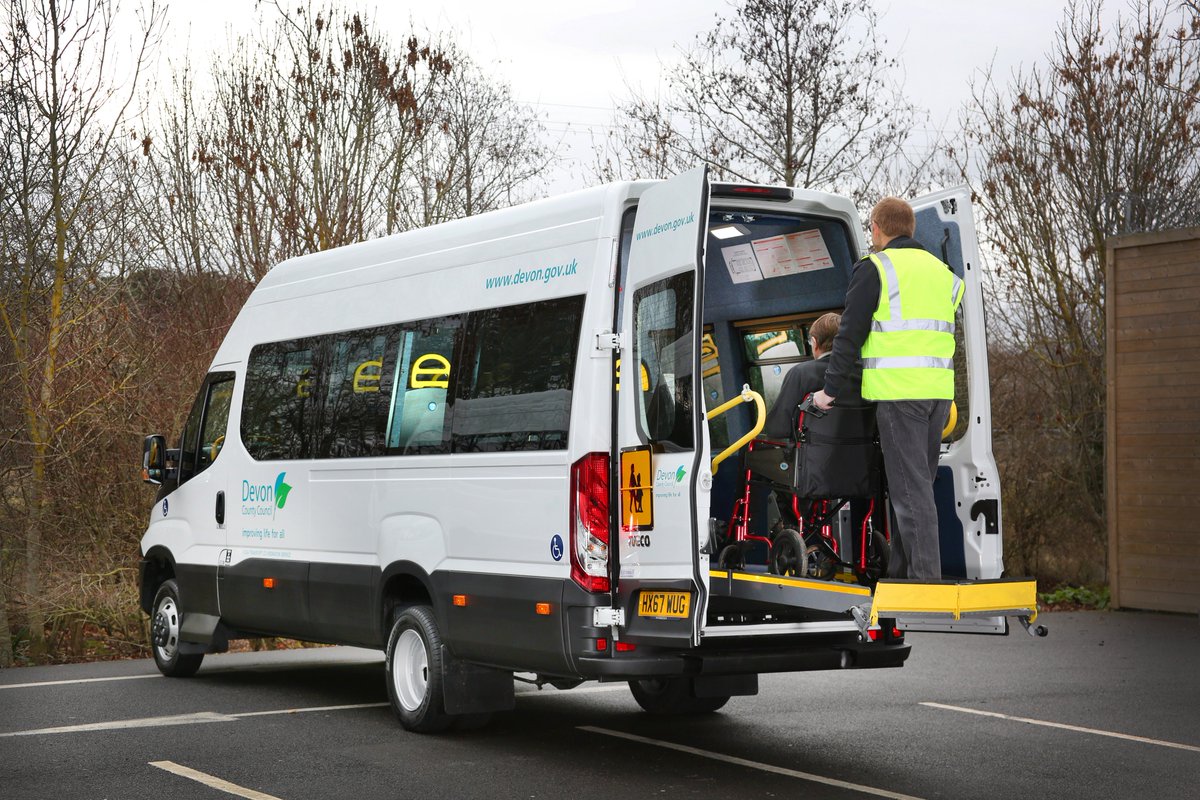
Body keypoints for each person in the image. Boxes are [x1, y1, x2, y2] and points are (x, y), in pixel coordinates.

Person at [812, 197, 964, 581]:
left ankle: (926, 581)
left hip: (901, 395)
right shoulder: (943, 272)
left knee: (910, 489)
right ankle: (899, 572)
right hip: (938, 395)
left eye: (871, 229)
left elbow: (848, 335)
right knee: (913, 484)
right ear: (910, 229)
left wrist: (829, 391)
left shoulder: (876, 268)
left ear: (878, 228)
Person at [761, 312, 853, 440]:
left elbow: (778, 428)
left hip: (816, 456)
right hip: (868, 455)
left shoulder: (800, 373)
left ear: (815, 342)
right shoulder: (865, 371)